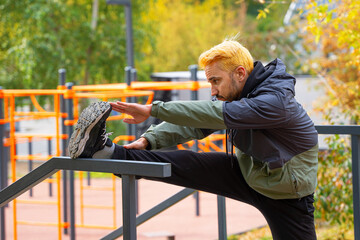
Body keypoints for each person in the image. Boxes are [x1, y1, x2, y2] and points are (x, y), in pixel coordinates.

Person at [68, 39, 318, 240]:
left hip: (288, 194)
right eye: (210, 82)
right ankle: (108, 153)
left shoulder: (275, 102)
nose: (213, 90)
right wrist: (148, 140)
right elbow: (197, 123)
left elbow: (212, 113)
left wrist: (152, 110)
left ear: (240, 73)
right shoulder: (236, 95)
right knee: (184, 163)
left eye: (215, 81)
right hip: (250, 173)